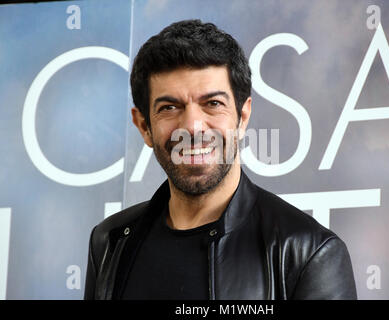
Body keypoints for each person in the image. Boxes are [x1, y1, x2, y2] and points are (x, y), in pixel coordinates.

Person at [84, 19, 357, 300]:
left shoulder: (309, 253)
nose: (192, 127)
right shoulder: (109, 242)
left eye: (213, 104)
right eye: (169, 107)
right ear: (143, 126)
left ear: (242, 116)